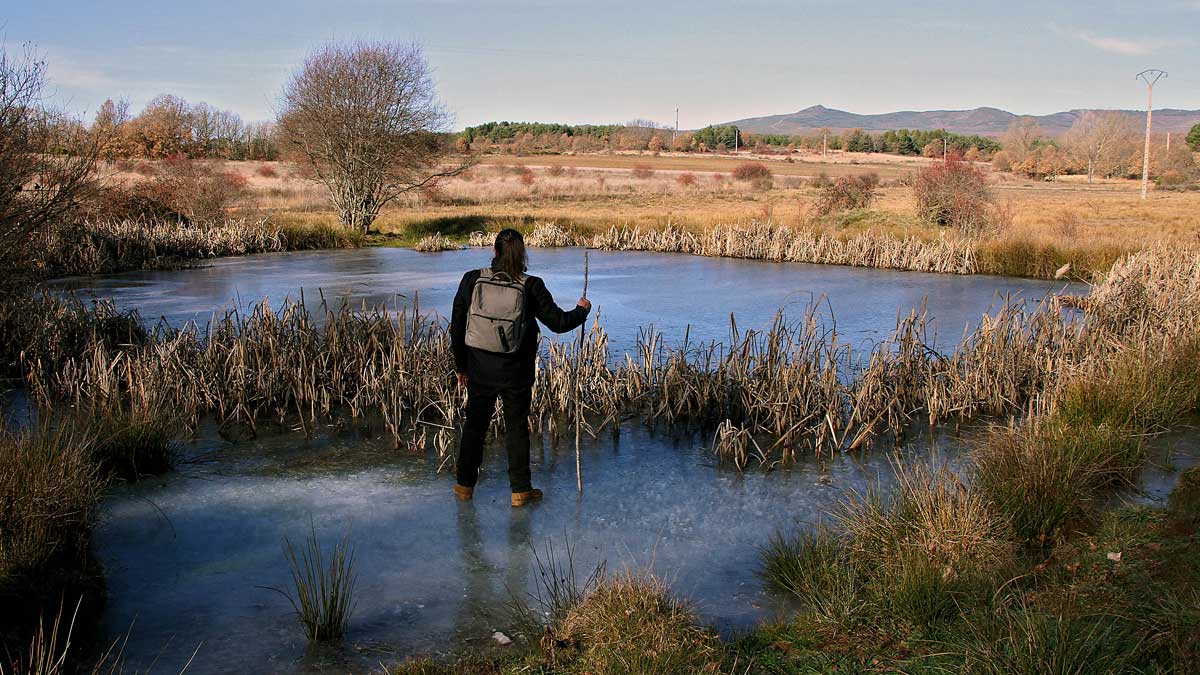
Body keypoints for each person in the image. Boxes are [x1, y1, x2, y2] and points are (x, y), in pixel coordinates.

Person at [450, 228, 591, 506]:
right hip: (516, 372)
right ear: (523, 253)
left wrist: (461, 366)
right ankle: (520, 491)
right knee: (516, 429)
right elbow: (559, 323)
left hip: (479, 369)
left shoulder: (472, 279)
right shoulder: (531, 285)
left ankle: (464, 487)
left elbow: (457, 327)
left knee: (475, 427)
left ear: (494, 252)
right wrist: (582, 310)